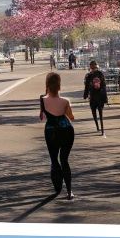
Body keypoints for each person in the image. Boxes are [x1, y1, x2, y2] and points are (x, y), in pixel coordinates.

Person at [38, 71, 77, 200]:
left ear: (47, 85)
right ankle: (69, 191)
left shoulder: (42, 100)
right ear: (59, 85)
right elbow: (71, 117)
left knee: (54, 160)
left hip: (50, 132)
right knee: (64, 160)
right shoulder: (65, 101)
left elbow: (41, 117)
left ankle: (57, 186)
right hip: (66, 131)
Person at [83, 61, 109, 135]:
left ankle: (97, 126)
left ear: (91, 67)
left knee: (94, 112)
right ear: (97, 66)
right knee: (101, 114)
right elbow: (104, 86)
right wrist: (105, 98)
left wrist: (85, 95)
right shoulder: (101, 74)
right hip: (100, 96)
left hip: (93, 97)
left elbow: (86, 87)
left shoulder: (88, 75)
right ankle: (102, 130)